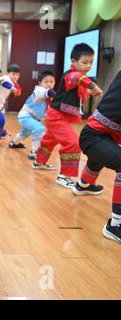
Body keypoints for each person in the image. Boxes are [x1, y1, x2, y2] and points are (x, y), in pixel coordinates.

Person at [33, 43, 103, 188]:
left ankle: (38, 161)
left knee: (49, 141)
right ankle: (64, 176)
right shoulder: (71, 75)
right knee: (73, 144)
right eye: (85, 62)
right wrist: (93, 87)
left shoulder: (80, 77)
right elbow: (77, 78)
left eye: (91, 62)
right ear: (73, 61)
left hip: (57, 115)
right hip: (57, 116)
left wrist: (89, 92)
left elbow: (79, 95)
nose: (88, 66)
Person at [72, 71, 121, 242]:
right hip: (93, 135)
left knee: (101, 156)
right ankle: (116, 225)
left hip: (103, 135)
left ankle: (83, 185)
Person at [9, 71, 56, 159]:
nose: (49, 84)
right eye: (46, 82)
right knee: (39, 128)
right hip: (26, 116)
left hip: (30, 118)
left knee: (25, 133)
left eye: (51, 82)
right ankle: (34, 152)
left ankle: (14, 143)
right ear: (40, 83)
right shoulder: (39, 90)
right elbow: (49, 92)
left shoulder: (48, 97)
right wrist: (58, 97)